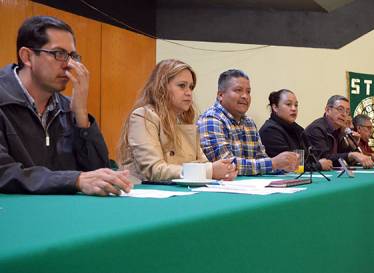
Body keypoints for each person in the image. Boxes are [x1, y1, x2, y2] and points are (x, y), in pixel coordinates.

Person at [0, 16, 132, 195]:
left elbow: (97, 169)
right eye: (59, 54)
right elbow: (4, 173)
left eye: (72, 56)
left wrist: (81, 114)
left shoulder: (66, 107)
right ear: (27, 56)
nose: (69, 65)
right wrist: (75, 180)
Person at [117, 59, 237, 182]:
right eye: (182, 86)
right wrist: (210, 171)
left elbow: (203, 163)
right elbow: (153, 170)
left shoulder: (186, 122)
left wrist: (222, 170)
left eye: (191, 87)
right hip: (144, 195)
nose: (189, 93)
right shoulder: (143, 116)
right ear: (161, 87)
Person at [197, 69, 299, 176]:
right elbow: (227, 165)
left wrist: (284, 165)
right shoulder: (211, 119)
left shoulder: (249, 122)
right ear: (220, 95)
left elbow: (261, 159)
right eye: (238, 90)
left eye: (248, 92)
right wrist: (273, 163)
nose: (245, 96)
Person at [259, 89, 332, 170]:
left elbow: (311, 157)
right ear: (275, 107)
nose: (293, 108)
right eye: (288, 104)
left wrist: (318, 163)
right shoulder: (270, 131)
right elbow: (287, 164)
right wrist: (319, 166)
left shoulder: (298, 129)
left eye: (296, 105)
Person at [304, 95, 374, 168]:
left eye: (347, 111)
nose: (344, 114)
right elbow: (324, 159)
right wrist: (351, 154)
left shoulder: (341, 130)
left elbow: (349, 159)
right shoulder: (316, 129)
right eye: (340, 109)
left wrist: (353, 146)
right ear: (328, 110)